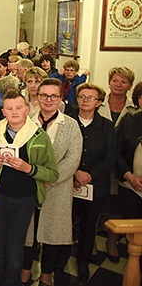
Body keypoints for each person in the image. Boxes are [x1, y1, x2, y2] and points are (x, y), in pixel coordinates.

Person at [0, 90, 58, 286]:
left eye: (18, 108)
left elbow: (52, 173)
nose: (14, 112)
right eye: (9, 108)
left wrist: (29, 168)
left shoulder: (39, 137)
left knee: (15, 249)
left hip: (24, 199)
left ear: (27, 109)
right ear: (3, 112)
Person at [21, 78, 82, 286]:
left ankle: (46, 273)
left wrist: (49, 179)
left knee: (51, 233)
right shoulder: (26, 120)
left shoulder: (71, 125)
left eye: (53, 96)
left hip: (56, 188)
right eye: (43, 95)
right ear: (37, 97)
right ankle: (26, 268)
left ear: (60, 98)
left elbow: (73, 159)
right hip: (28, 184)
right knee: (27, 230)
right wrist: (32, 174)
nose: (48, 100)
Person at [69, 83, 118, 281]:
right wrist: (74, 173)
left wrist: (87, 175)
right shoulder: (67, 121)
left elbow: (110, 157)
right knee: (65, 223)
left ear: (99, 102)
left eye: (91, 98)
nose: (85, 100)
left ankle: (83, 262)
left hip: (94, 184)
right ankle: (60, 258)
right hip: (67, 181)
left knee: (89, 226)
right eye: (82, 96)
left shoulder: (106, 126)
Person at [115, 81, 142, 262]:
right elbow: (115, 151)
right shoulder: (129, 119)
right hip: (130, 186)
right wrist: (127, 174)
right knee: (134, 240)